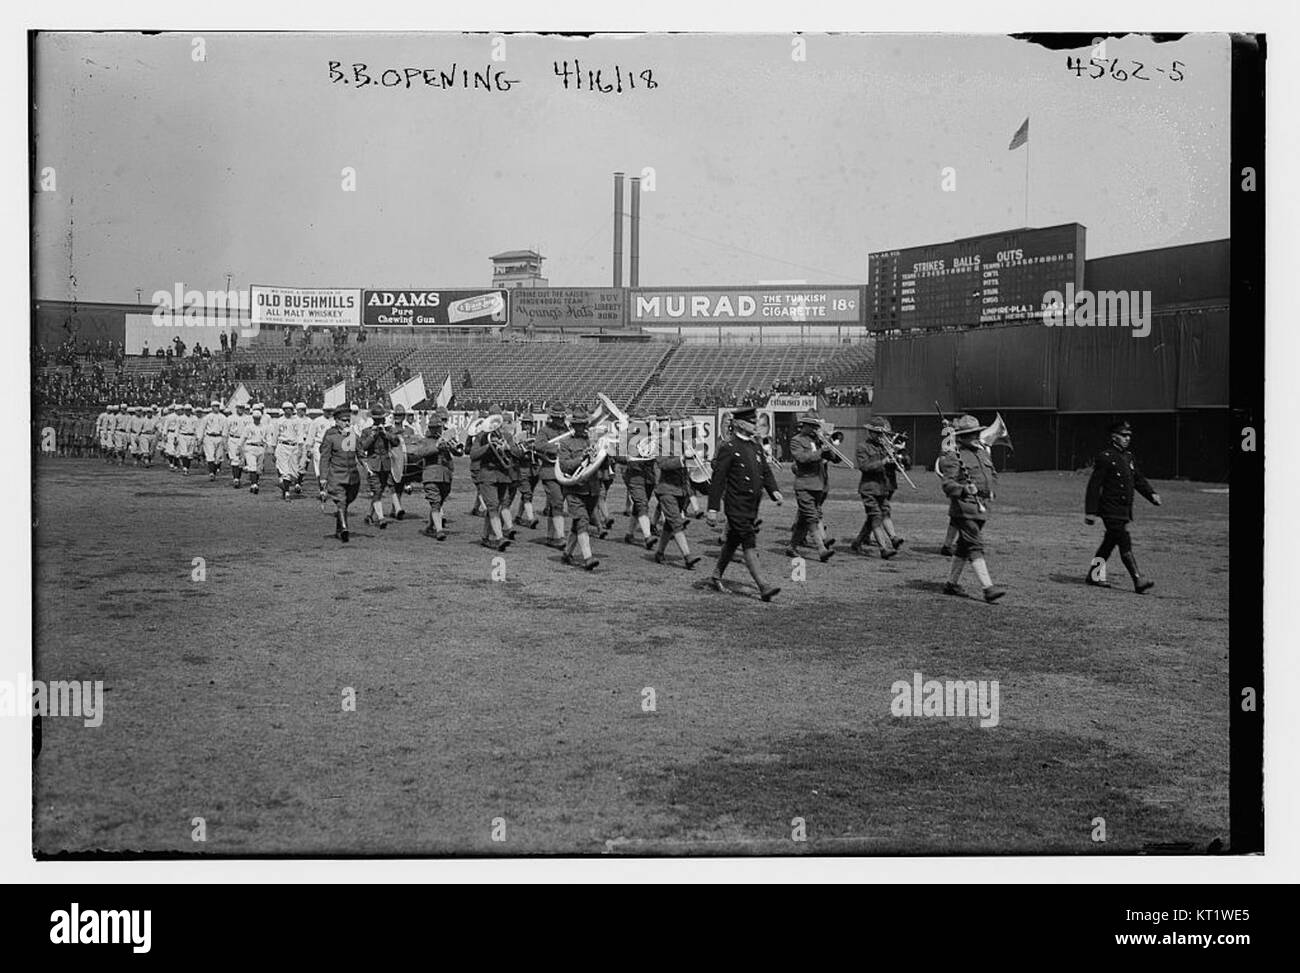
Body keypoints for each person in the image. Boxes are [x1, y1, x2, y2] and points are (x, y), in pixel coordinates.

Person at [707, 406, 783, 600]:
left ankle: (716, 576)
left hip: (752, 504)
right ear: (740, 424)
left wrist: (774, 490)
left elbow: (765, 471)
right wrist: (713, 509)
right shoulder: (729, 448)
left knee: (733, 540)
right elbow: (718, 480)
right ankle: (763, 586)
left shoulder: (755, 446)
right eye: (751, 422)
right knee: (749, 541)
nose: (755, 425)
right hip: (736, 504)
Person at [1084, 419, 1162, 593]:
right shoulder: (1106, 457)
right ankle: (1138, 579)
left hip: (1123, 510)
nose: (1127, 438)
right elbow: (1094, 486)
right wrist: (1090, 512)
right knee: (1124, 540)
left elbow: (1138, 480)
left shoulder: (1128, 457)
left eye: (1129, 436)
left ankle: (1094, 575)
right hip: (1110, 510)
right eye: (1123, 435)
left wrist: (1151, 494)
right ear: (1114, 437)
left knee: (1109, 543)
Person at [938, 414, 1005, 603]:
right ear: (960, 436)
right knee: (975, 544)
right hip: (964, 508)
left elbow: (992, 474)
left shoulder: (982, 453)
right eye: (970, 434)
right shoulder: (953, 456)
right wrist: (963, 489)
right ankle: (988, 588)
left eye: (976, 432)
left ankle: (951, 584)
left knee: (963, 547)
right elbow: (947, 484)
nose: (975, 436)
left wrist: (991, 491)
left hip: (981, 507)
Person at [852, 416, 908, 558]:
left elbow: (902, 464)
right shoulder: (862, 447)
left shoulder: (885, 446)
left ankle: (862, 541)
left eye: (882, 434)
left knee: (883, 513)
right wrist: (882, 461)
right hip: (869, 488)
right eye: (877, 433)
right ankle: (883, 548)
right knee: (876, 517)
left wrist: (900, 454)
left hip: (883, 487)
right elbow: (864, 467)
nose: (881, 436)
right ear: (870, 432)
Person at [785, 414, 836, 562]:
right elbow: (802, 458)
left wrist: (829, 447)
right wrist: (821, 452)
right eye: (812, 426)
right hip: (804, 485)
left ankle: (791, 547)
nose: (815, 429)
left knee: (803, 520)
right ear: (804, 426)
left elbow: (835, 458)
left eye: (816, 426)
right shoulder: (796, 440)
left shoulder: (818, 441)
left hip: (819, 485)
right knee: (812, 517)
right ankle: (821, 549)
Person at [652, 414, 702, 569]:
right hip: (666, 489)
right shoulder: (662, 443)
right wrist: (682, 458)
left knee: (669, 524)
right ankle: (688, 556)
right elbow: (663, 464)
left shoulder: (685, 444)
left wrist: (695, 456)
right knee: (677, 523)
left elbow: (691, 468)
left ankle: (659, 552)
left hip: (681, 490)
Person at [556, 405, 601, 569]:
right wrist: (583, 457)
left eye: (583, 424)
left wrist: (602, 455)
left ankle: (567, 554)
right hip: (574, 489)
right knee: (582, 522)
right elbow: (565, 466)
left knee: (578, 524)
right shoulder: (565, 443)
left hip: (592, 489)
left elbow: (601, 464)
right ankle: (588, 558)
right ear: (573, 426)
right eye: (578, 424)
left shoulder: (593, 441)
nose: (581, 427)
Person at [469, 413, 518, 551]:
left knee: (495, 508)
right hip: (487, 475)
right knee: (492, 505)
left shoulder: (507, 437)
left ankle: (485, 537)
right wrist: (488, 447)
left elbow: (516, 453)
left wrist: (507, 448)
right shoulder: (482, 437)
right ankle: (499, 537)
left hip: (503, 475)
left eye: (497, 426)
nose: (494, 429)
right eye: (492, 426)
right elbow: (473, 455)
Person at [412, 408, 458, 540]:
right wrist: (437, 447)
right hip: (430, 475)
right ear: (430, 428)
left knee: (439, 502)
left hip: (445, 476)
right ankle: (439, 531)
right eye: (434, 428)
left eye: (438, 427)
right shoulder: (425, 441)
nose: (437, 430)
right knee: (435, 502)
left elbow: (458, 453)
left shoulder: (446, 439)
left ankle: (430, 527)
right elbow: (418, 454)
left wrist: (453, 446)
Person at [319, 404, 362, 542]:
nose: (347, 423)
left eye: (348, 420)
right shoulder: (330, 436)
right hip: (337, 475)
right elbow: (325, 457)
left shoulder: (353, 435)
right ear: (336, 421)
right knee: (341, 500)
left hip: (353, 476)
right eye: (344, 420)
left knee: (347, 500)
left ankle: (339, 527)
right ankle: (344, 528)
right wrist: (323, 477)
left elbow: (361, 452)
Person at [359, 404, 400, 527]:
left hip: (386, 464)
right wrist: (373, 435)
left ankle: (369, 515)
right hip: (373, 464)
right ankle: (381, 518)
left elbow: (396, 442)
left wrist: (384, 434)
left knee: (380, 491)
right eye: (377, 419)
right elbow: (363, 447)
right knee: (376, 489)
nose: (379, 421)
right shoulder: (366, 431)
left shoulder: (388, 430)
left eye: (381, 419)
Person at [536, 405, 570, 548]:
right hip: (549, 472)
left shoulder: (568, 430)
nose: (561, 420)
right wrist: (558, 448)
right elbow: (539, 446)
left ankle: (550, 537)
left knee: (554, 505)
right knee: (557, 502)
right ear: (553, 417)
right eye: (558, 417)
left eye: (562, 417)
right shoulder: (544, 431)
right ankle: (560, 537)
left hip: (563, 471)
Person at [197, 400, 228, 480]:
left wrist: (224, 440)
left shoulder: (223, 417)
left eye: (217, 406)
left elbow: (225, 429)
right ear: (212, 407)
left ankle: (214, 470)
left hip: (219, 436)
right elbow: (202, 428)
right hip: (209, 437)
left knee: (218, 457)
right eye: (215, 406)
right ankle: (211, 473)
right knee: (210, 455)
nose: (216, 408)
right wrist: (200, 439)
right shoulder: (207, 417)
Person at [243, 409, 268, 494]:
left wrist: (270, 446)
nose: (257, 419)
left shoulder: (264, 427)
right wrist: (239, 447)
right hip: (250, 446)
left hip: (260, 447)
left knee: (259, 468)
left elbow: (268, 438)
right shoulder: (248, 427)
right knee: (252, 466)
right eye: (255, 418)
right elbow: (243, 438)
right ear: (253, 418)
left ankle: (255, 482)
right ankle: (254, 484)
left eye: (258, 418)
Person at [226, 402, 250, 487]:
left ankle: (238, 477)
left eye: (242, 407)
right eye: (239, 407)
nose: (241, 409)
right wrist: (225, 442)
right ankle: (236, 478)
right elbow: (226, 430)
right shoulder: (230, 418)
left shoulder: (248, 418)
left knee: (241, 460)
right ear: (236, 408)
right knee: (234, 459)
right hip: (233, 439)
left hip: (244, 440)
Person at [175, 402, 199, 475]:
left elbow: (197, 428)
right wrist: (176, 437)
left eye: (189, 410)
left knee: (190, 454)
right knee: (184, 453)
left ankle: (187, 468)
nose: (188, 411)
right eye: (186, 410)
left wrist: (198, 437)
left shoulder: (194, 418)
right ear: (184, 410)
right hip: (183, 435)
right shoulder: (180, 418)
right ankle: (185, 468)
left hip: (191, 436)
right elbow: (177, 428)